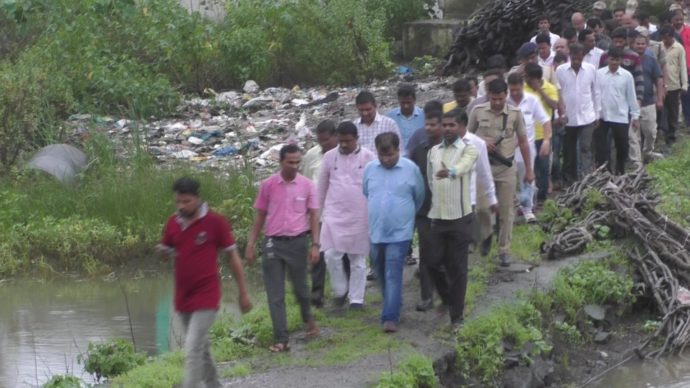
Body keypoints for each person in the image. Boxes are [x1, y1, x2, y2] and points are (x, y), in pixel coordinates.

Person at [157, 177, 252, 388]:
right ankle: (214, 385)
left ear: (198, 199)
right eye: (178, 202)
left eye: (186, 202)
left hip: (207, 296)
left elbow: (233, 258)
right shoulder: (173, 222)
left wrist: (243, 292)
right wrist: (163, 252)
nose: (181, 206)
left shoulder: (215, 222)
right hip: (183, 298)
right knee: (202, 347)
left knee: (192, 348)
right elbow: (166, 250)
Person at [246, 144, 320, 353]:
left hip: (298, 242)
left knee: (301, 290)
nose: (295, 166)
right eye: (290, 162)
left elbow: (314, 215)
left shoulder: (307, 186)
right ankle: (281, 338)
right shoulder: (268, 185)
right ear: (280, 162)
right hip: (273, 243)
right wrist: (251, 244)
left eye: (298, 162)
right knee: (274, 294)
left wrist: (315, 244)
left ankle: (308, 318)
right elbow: (260, 215)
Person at [363, 132, 425, 333]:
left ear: (398, 150)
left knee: (393, 272)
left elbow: (419, 197)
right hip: (376, 231)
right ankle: (393, 303)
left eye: (390, 155)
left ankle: (389, 317)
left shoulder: (410, 169)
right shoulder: (370, 169)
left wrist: (406, 217)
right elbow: (366, 192)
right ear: (377, 152)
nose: (386, 159)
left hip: (400, 232)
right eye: (382, 155)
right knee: (379, 271)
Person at [468, 78, 533, 266]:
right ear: (488, 95)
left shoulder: (515, 114)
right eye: (494, 98)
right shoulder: (477, 112)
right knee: (481, 208)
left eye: (501, 98)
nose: (497, 103)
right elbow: (466, 135)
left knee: (506, 210)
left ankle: (504, 249)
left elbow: (523, 141)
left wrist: (529, 170)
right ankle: (486, 236)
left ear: (506, 95)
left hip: (506, 168)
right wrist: (481, 143)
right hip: (482, 168)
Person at [426, 110, 478, 330]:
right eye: (444, 125)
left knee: (458, 269)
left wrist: (451, 172)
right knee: (430, 264)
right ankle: (447, 299)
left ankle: (457, 317)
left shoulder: (469, 149)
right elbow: (430, 179)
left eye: (451, 125)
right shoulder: (433, 151)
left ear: (460, 127)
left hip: (459, 218)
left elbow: (464, 167)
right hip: (437, 217)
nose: (447, 129)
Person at [317, 121, 375, 309]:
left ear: (356, 139)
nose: (343, 145)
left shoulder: (368, 158)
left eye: (347, 141)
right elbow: (321, 188)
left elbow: (374, 187)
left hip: (359, 214)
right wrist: (318, 215)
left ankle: (356, 298)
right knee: (331, 254)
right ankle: (340, 290)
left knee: (357, 258)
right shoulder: (329, 157)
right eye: (340, 141)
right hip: (334, 214)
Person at [300, 120, 338, 308]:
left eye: (327, 140)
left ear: (336, 136)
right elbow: (306, 183)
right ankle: (317, 295)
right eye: (320, 141)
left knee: (343, 252)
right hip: (319, 214)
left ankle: (344, 291)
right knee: (318, 253)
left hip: (341, 211)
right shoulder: (311, 155)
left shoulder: (344, 153)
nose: (323, 144)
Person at [409, 109, 444, 312]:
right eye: (427, 124)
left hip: (448, 210)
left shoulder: (452, 150)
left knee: (445, 254)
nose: (429, 128)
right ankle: (426, 296)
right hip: (424, 210)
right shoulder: (419, 151)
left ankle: (446, 293)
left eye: (433, 124)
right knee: (426, 253)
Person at [507, 73, 551, 222]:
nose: (514, 93)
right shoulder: (504, 101)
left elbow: (545, 120)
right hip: (508, 149)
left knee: (528, 178)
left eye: (517, 90)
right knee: (508, 181)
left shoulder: (532, 100)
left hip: (528, 147)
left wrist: (546, 141)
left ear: (522, 86)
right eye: (511, 90)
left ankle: (528, 210)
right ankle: (509, 210)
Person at [556, 43, 600, 184]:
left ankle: (586, 178)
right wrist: (559, 115)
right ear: (570, 57)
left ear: (582, 57)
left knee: (586, 148)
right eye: (574, 58)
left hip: (587, 116)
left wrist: (597, 114)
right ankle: (569, 179)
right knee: (569, 150)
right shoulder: (560, 71)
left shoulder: (591, 69)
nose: (576, 61)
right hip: (568, 118)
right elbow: (558, 94)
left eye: (579, 58)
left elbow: (595, 92)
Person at [595, 47, 640, 175]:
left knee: (622, 145)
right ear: (608, 59)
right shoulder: (599, 74)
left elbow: (632, 96)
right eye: (612, 59)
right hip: (602, 116)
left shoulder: (627, 76)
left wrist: (635, 116)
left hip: (620, 116)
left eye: (617, 60)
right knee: (602, 147)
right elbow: (596, 94)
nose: (614, 62)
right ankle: (605, 172)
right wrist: (596, 115)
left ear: (621, 60)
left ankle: (620, 171)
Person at [525, 63, 558, 203]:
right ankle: (528, 199)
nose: (526, 81)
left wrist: (540, 90)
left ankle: (542, 197)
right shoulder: (522, 89)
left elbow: (554, 105)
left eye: (529, 79)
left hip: (543, 135)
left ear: (537, 79)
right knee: (528, 167)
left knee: (543, 167)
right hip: (526, 135)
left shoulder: (550, 88)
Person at [630, 33, 664, 166]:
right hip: (632, 103)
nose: (640, 46)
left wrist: (660, 99)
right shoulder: (628, 59)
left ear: (647, 45)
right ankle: (636, 162)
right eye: (637, 43)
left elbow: (659, 79)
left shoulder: (651, 60)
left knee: (650, 132)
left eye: (642, 43)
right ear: (633, 44)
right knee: (634, 135)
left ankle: (647, 153)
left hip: (649, 101)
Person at [599, 27, 644, 104]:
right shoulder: (604, 56)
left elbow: (639, 79)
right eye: (615, 42)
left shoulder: (634, 56)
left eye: (620, 42)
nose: (618, 44)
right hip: (607, 97)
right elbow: (599, 77)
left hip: (627, 97)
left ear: (626, 41)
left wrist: (639, 98)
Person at [660, 24, 687, 145]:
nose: (665, 41)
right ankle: (661, 134)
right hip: (660, 85)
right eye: (663, 38)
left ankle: (671, 136)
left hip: (673, 84)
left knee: (673, 112)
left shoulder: (679, 48)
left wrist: (684, 84)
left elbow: (682, 67)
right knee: (661, 111)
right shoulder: (658, 47)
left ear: (672, 37)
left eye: (667, 38)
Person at [386, 84, 425, 155]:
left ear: (414, 100)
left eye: (408, 103)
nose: (406, 106)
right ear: (398, 100)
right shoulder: (390, 117)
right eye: (403, 103)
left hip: (418, 156)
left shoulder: (424, 116)